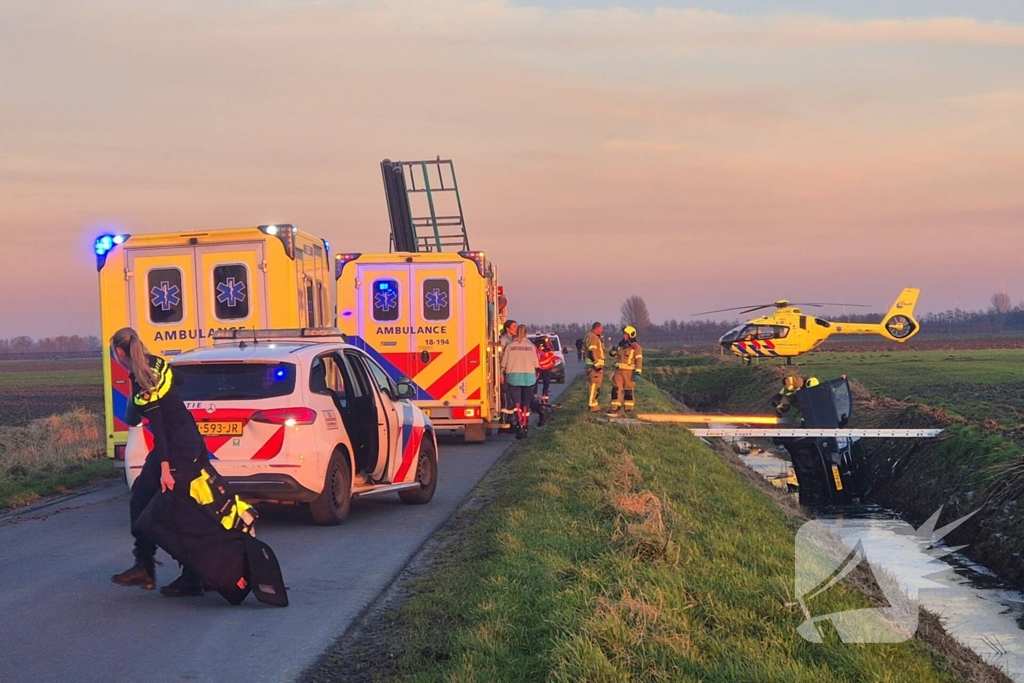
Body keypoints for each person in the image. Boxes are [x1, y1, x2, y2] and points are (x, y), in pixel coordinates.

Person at [109, 327, 215, 598]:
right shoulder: (156, 364)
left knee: (174, 510)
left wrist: (166, 468)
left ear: (120, 352)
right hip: (184, 442)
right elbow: (177, 380)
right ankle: (144, 566)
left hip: (176, 448)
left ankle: (192, 575)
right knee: (141, 500)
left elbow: (158, 423)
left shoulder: (143, 378)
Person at [501, 325, 540, 439]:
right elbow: (536, 364)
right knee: (525, 404)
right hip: (528, 377)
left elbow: (503, 363)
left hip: (513, 377)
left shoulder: (510, 346)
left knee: (516, 403)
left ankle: (519, 425)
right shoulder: (531, 346)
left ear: (516, 333)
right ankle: (525, 424)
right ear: (526, 333)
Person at [608, 325, 643, 415]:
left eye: (626, 334)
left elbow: (639, 360)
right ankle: (615, 408)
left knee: (628, 391)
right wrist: (615, 348)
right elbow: (612, 354)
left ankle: (629, 409)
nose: (624, 336)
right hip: (619, 372)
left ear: (631, 335)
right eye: (624, 334)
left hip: (629, 373)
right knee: (616, 389)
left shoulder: (636, 348)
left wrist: (638, 373)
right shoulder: (621, 346)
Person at [498, 320, 518, 424]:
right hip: (504, 372)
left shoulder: (513, 340)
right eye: (514, 327)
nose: (516, 329)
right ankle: (504, 420)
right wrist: (500, 373)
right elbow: (500, 357)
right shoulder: (503, 340)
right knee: (505, 396)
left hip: (511, 372)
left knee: (511, 396)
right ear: (507, 328)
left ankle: (511, 419)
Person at [583, 322, 605, 412]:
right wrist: (598, 366)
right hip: (594, 367)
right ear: (598, 328)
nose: (602, 330)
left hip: (593, 365)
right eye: (601, 328)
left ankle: (594, 406)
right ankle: (592, 406)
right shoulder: (593, 337)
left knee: (596, 387)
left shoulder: (591, 335)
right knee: (594, 386)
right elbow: (592, 352)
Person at [535, 335, 556, 404]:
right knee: (544, 385)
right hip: (542, 368)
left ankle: (543, 400)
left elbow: (551, 355)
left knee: (539, 385)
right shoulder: (538, 350)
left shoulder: (544, 349)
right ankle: (542, 400)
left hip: (540, 368)